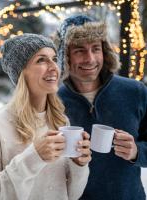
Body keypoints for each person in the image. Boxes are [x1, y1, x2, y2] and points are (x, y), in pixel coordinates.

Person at [0, 33, 91, 200]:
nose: (53, 67)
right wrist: (34, 157)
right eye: (41, 60)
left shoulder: (61, 122)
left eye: (54, 59)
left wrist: (79, 165)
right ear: (22, 73)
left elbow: (71, 195)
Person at [56, 15, 147, 200]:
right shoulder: (53, 102)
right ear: (65, 56)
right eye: (80, 50)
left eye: (95, 49)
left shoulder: (135, 92)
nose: (89, 59)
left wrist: (136, 151)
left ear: (104, 52)